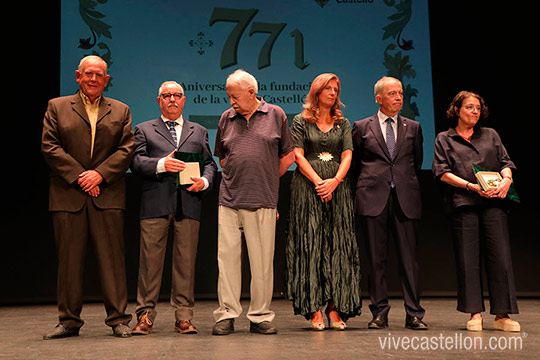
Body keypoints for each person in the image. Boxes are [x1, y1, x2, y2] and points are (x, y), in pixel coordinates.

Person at [41, 55, 134, 339]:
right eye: (88, 74)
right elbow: (50, 146)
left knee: (113, 260)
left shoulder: (121, 110)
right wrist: (82, 176)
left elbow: (126, 149)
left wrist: (100, 175)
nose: (93, 79)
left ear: (107, 80)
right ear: (78, 76)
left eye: (99, 75)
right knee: (69, 261)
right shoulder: (57, 106)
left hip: (107, 193)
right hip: (68, 194)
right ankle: (69, 320)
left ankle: (118, 319)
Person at [130, 81, 217, 335]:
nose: (172, 100)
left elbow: (209, 163)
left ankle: (183, 317)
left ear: (184, 100)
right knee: (150, 264)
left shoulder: (198, 131)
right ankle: (145, 316)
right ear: (159, 100)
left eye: (177, 95)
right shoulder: (144, 129)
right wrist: (161, 165)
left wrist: (205, 181)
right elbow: (136, 161)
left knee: (185, 263)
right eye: (166, 95)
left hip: (189, 203)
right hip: (155, 203)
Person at [212, 69, 294, 335]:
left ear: (251, 92)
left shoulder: (276, 114)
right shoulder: (227, 117)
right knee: (227, 261)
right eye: (228, 96)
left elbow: (288, 156)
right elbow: (222, 158)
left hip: (262, 198)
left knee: (261, 263)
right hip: (229, 198)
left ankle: (260, 315)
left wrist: (266, 178)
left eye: (234, 96)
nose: (231, 101)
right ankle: (227, 314)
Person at [432, 91, 520, 332]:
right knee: (468, 260)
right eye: (469, 107)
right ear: (457, 110)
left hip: (494, 203)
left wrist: (506, 181)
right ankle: (475, 313)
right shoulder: (445, 138)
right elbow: (441, 172)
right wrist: (470, 186)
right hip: (464, 204)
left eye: (478, 108)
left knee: (500, 257)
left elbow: (506, 163)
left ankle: (502, 315)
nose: (475, 111)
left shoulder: (490, 135)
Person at [285, 73, 362, 331]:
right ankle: (314, 308)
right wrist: (320, 182)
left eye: (335, 88)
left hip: (338, 189)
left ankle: (334, 307)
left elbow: (348, 155)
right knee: (312, 244)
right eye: (327, 88)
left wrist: (335, 181)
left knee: (337, 245)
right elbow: (297, 155)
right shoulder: (300, 121)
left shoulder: (343, 122)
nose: (332, 92)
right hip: (309, 188)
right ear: (317, 92)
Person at [352, 76, 427, 330]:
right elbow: (355, 165)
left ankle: (414, 313)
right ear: (379, 98)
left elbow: (416, 162)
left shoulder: (413, 127)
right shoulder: (362, 127)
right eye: (393, 93)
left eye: (401, 93)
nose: (398, 97)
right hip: (373, 198)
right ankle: (379, 312)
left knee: (409, 259)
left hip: (405, 198)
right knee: (376, 259)